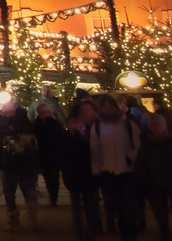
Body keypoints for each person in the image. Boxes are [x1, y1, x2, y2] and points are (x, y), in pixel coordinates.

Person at [92, 93, 142, 241]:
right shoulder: (98, 127)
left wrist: (130, 159)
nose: (108, 109)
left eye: (110, 106)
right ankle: (123, 231)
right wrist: (97, 170)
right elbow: (95, 150)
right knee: (117, 205)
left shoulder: (128, 124)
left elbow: (138, 144)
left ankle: (130, 233)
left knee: (128, 205)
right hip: (108, 171)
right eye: (104, 106)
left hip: (127, 171)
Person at [136, 113, 172, 241]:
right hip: (155, 184)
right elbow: (142, 166)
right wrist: (142, 185)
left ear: (164, 127)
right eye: (153, 125)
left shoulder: (171, 144)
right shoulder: (146, 145)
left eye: (159, 125)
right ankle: (165, 234)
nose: (156, 127)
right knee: (161, 213)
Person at [0, 97, 42, 230]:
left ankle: (14, 217)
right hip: (23, 164)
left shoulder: (3, 127)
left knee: (12, 192)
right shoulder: (28, 125)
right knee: (26, 190)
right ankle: (29, 217)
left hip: (12, 164)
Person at [64, 99, 104, 239]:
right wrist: (74, 134)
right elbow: (67, 151)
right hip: (75, 171)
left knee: (90, 202)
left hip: (90, 171)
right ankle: (80, 228)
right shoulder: (73, 127)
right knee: (77, 203)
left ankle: (93, 227)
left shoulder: (98, 126)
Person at [33, 101, 66, 207]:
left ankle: (53, 197)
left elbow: (59, 137)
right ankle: (53, 196)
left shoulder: (54, 123)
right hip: (45, 154)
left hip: (52, 154)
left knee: (53, 176)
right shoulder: (37, 124)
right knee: (49, 176)